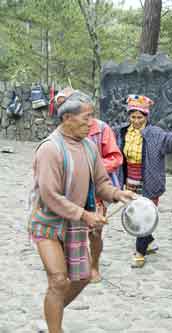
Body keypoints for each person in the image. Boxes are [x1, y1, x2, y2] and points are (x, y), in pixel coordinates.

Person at [28, 88, 136, 333]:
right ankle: (55, 328)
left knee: (83, 276)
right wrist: (86, 215)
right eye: (86, 117)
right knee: (58, 281)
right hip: (48, 223)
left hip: (74, 223)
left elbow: (101, 183)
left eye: (92, 116)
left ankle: (51, 315)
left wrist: (118, 194)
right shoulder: (50, 149)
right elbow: (50, 195)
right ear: (67, 118)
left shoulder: (88, 147)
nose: (92, 123)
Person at [115, 95, 172, 268]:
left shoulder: (155, 133)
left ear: (146, 117)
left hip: (149, 180)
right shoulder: (122, 132)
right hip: (130, 180)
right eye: (133, 117)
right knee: (134, 215)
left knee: (143, 216)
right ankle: (149, 242)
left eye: (140, 117)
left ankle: (140, 252)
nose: (136, 121)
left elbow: (169, 140)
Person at [87, 116, 123, 283]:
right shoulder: (63, 132)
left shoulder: (102, 129)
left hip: (96, 191)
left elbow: (116, 158)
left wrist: (93, 168)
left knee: (95, 231)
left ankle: (94, 266)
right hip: (72, 191)